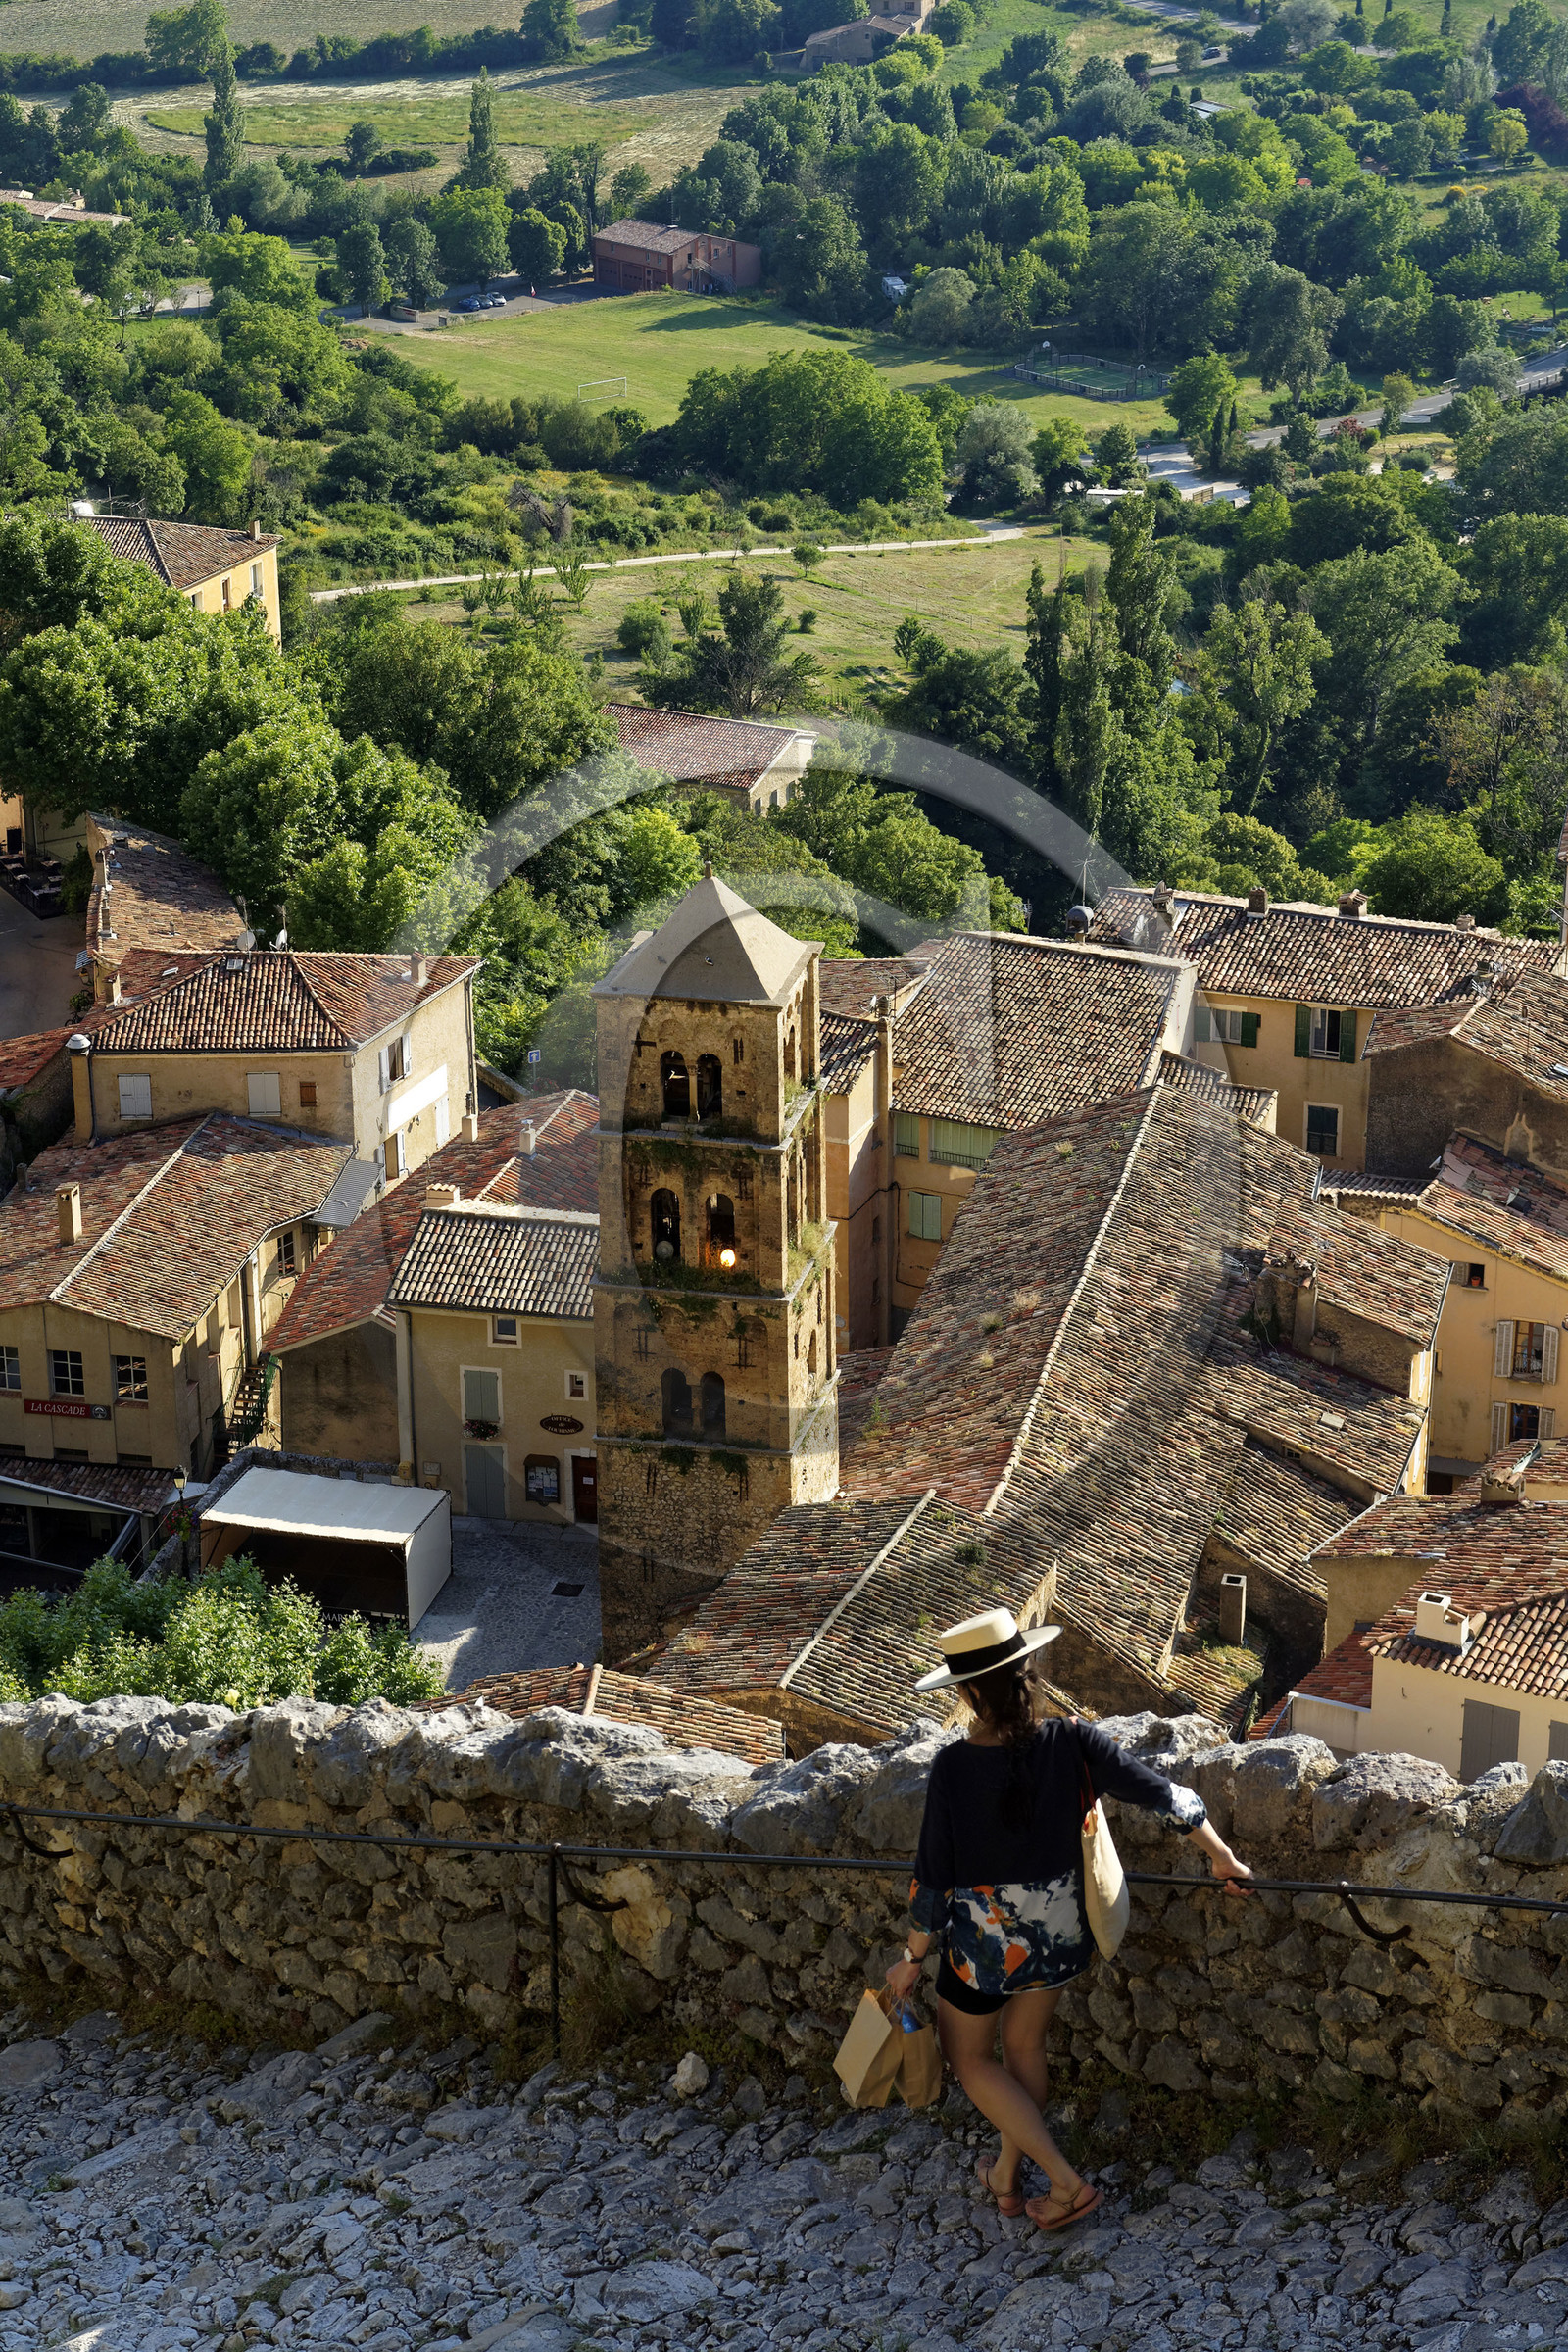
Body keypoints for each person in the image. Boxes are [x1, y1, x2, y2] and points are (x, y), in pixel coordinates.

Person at [884, 1607, 1251, 2233]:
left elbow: (935, 1883)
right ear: (1027, 1674)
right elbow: (1163, 1794)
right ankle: (1006, 2175)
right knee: (1024, 2046)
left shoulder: (952, 1769)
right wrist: (1222, 1857)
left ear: (969, 1692)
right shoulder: (1075, 1742)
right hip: (1060, 1935)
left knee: (968, 2057)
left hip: (985, 1950)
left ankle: (1063, 2180)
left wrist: (913, 1958)